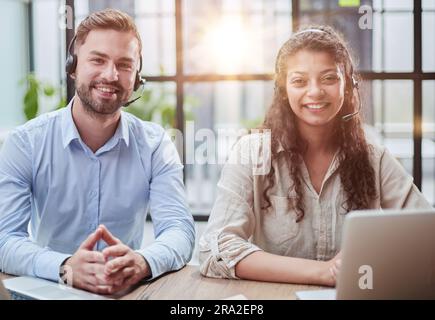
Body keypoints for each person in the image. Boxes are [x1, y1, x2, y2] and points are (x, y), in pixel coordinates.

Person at [199, 25, 432, 287]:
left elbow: (426, 234)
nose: (315, 92)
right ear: (284, 89)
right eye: (299, 81)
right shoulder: (252, 153)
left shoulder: (373, 158)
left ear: (347, 84)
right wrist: (325, 272)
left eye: (329, 78)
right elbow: (214, 251)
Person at [0, 9, 194, 295]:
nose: (110, 74)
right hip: (52, 289)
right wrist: (64, 267)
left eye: (125, 64)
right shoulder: (26, 143)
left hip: (124, 291)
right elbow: (4, 239)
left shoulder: (155, 145)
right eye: (98, 60)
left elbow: (180, 230)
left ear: (137, 76)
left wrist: (143, 261)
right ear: (73, 65)